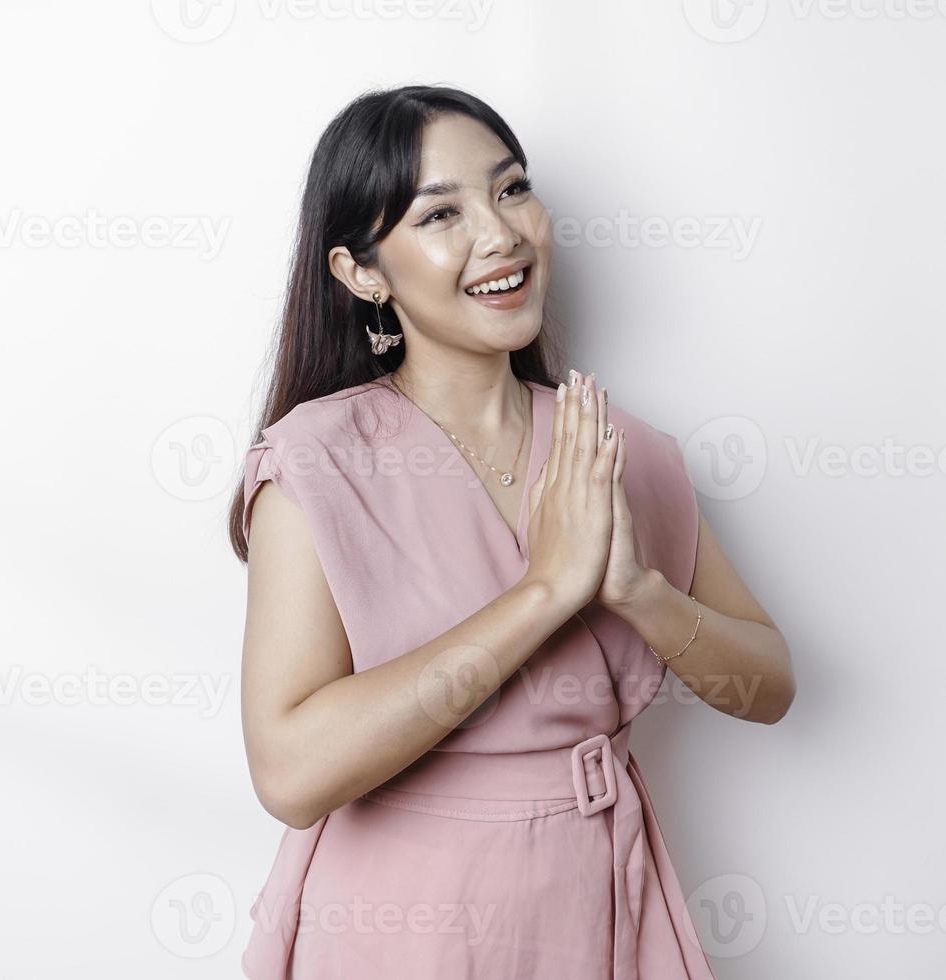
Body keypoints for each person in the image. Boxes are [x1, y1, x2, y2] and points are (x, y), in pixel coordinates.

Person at [229, 84, 795, 979]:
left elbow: (767, 688)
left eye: (512, 189)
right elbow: (290, 773)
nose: (500, 234)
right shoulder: (316, 462)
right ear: (361, 272)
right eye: (440, 213)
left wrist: (636, 592)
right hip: (399, 926)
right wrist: (544, 594)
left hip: (595, 904)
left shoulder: (618, 447)